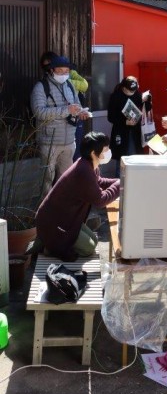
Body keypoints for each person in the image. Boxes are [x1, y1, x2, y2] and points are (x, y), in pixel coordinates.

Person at [35, 132, 119, 261]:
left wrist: (120, 181)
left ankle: (52, 242)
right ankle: (50, 246)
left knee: (94, 240)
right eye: (106, 150)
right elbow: (100, 200)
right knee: (89, 249)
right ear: (93, 153)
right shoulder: (83, 171)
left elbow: (99, 182)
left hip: (65, 219)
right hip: (53, 223)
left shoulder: (88, 164)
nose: (108, 152)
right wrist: (119, 185)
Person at [30, 54, 90, 196]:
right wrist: (66, 110)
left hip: (69, 140)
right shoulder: (41, 87)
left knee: (65, 179)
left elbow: (77, 105)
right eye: (60, 71)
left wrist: (80, 112)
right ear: (51, 70)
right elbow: (39, 112)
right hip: (49, 141)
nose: (64, 74)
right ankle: (45, 211)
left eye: (66, 71)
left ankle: (62, 210)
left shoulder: (70, 85)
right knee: (47, 180)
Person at [107, 75, 150, 177]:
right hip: (121, 132)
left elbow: (146, 109)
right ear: (124, 88)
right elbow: (111, 117)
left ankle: (135, 181)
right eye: (130, 91)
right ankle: (118, 185)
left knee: (136, 157)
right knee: (122, 160)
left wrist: (147, 101)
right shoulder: (116, 96)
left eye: (134, 91)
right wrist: (125, 122)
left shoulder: (137, 94)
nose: (132, 93)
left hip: (135, 132)